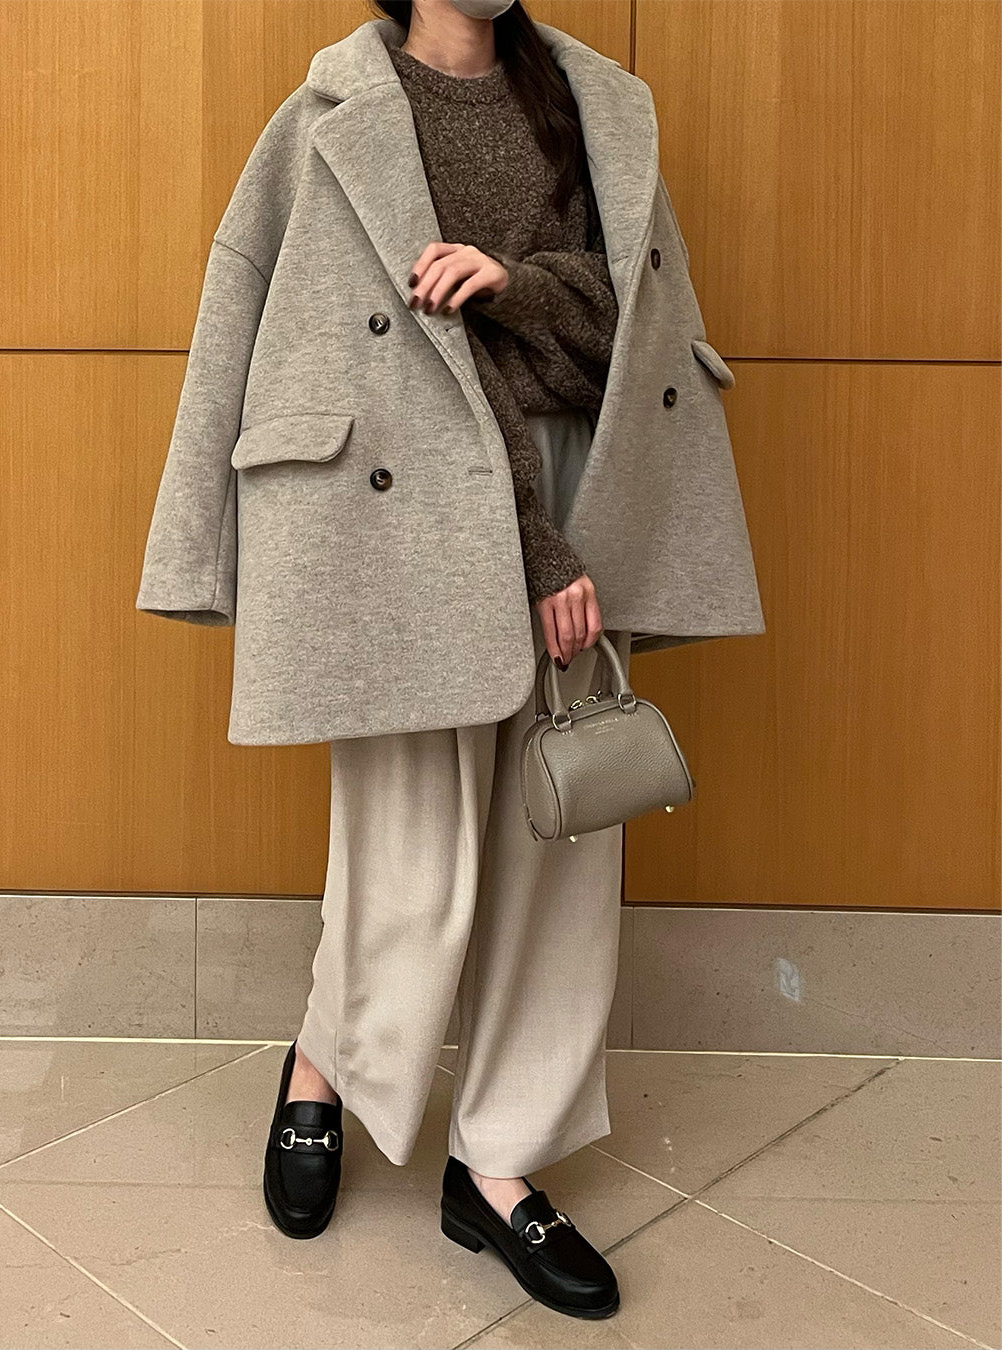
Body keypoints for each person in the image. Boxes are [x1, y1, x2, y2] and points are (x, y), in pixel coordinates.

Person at [264, 0, 626, 1321]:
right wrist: (538, 551)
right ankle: (323, 1066)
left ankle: (498, 1162)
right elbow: (309, 347)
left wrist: (512, 281)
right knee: (404, 846)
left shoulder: (579, 106)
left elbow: (620, 318)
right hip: (407, 525)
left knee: (556, 850)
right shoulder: (333, 114)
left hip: (567, 504)